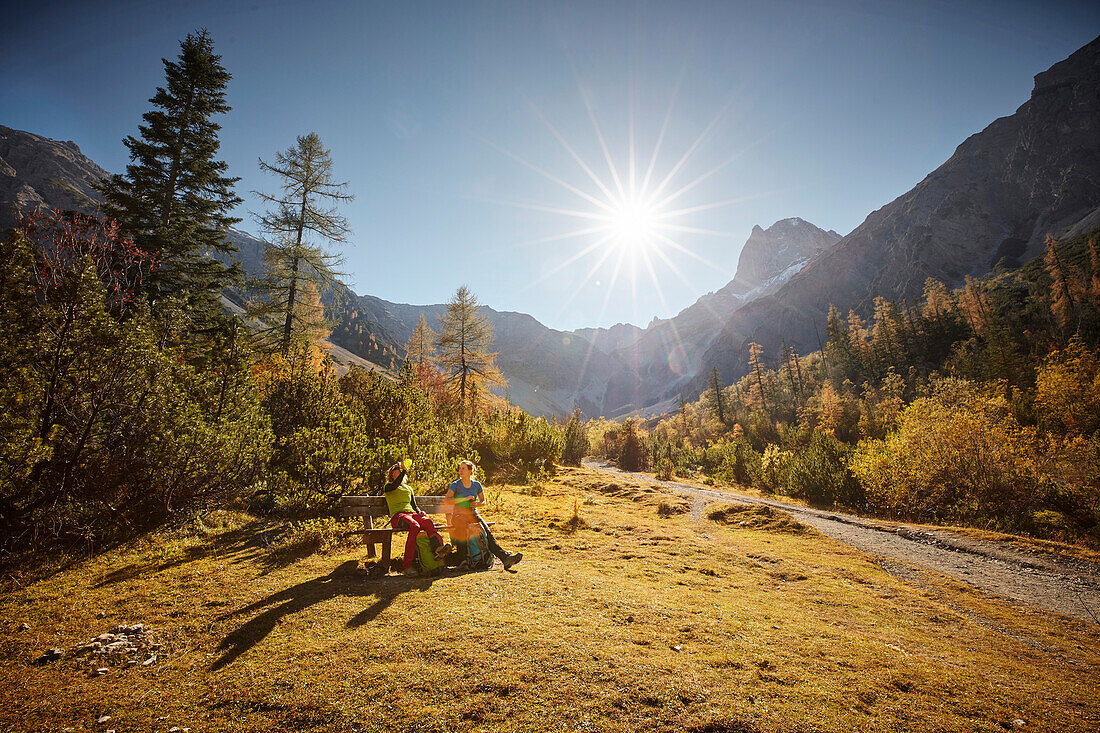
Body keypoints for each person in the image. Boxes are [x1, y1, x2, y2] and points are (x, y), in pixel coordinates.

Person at [444, 460, 523, 571]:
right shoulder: (455, 485)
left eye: (463, 469)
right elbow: (447, 501)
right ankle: (463, 562)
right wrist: (464, 499)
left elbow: (483, 501)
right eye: (460, 468)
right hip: (458, 515)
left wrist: (477, 504)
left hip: (472, 514)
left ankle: (505, 557)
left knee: (486, 532)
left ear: (470, 471)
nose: (460, 471)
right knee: (462, 528)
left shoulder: (476, 485)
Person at [377, 460, 452, 576]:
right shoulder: (388, 486)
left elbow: (414, 505)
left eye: (400, 470)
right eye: (396, 470)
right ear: (391, 474)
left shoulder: (408, 488)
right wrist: (404, 471)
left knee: (427, 522)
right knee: (415, 526)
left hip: (412, 514)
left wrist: (420, 512)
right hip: (399, 516)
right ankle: (407, 565)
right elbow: (395, 484)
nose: (398, 471)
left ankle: (438, 549)